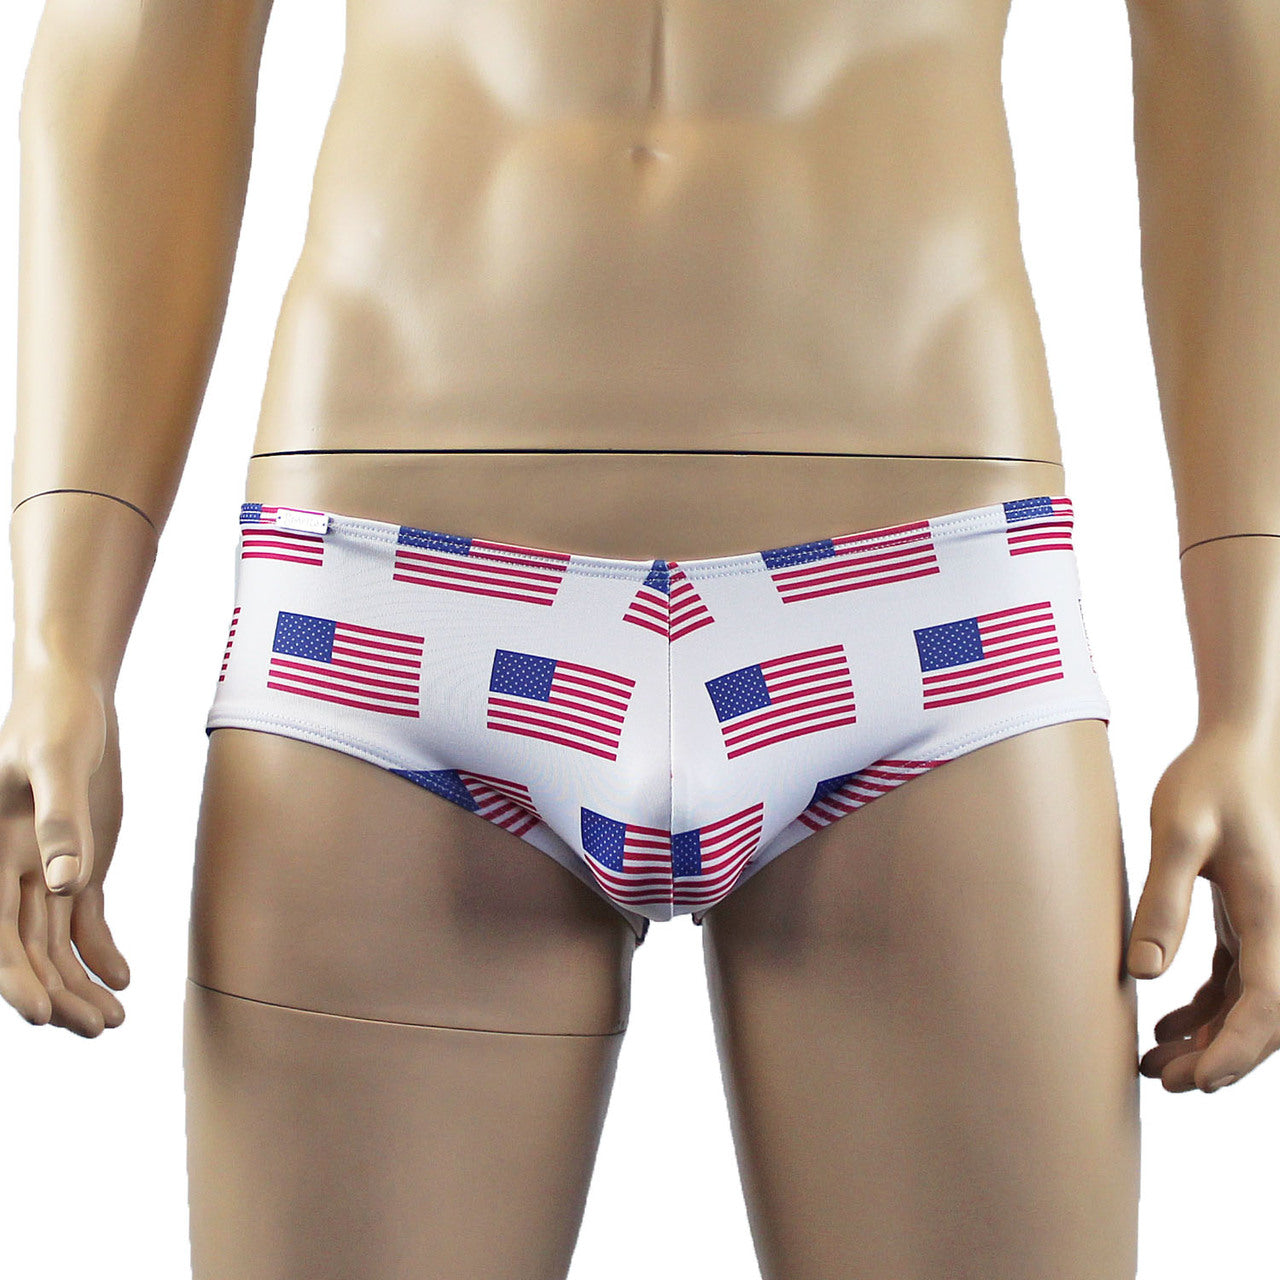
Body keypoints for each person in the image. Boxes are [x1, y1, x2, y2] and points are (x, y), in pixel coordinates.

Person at [4, 1, 1279, 1277]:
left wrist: (1254, 702)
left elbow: (1234, 48)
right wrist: (59, 645)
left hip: (925, 602)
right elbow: (140, 36)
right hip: (395, 605)